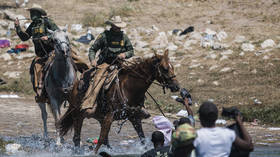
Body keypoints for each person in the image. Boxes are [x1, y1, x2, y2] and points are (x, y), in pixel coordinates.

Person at [14, 6, 89, 101]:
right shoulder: (32, 25)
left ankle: (88, 74)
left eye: (34, 13)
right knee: (36, 67)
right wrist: (17, 27)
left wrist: (48, 37)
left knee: (75, 58)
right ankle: (40, 90)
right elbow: (24, 37)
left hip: (54, 51)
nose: (32, 15)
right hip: (41, 54)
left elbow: (58, 32)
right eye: (31, 13)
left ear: (39, 14)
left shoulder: (47, 21)